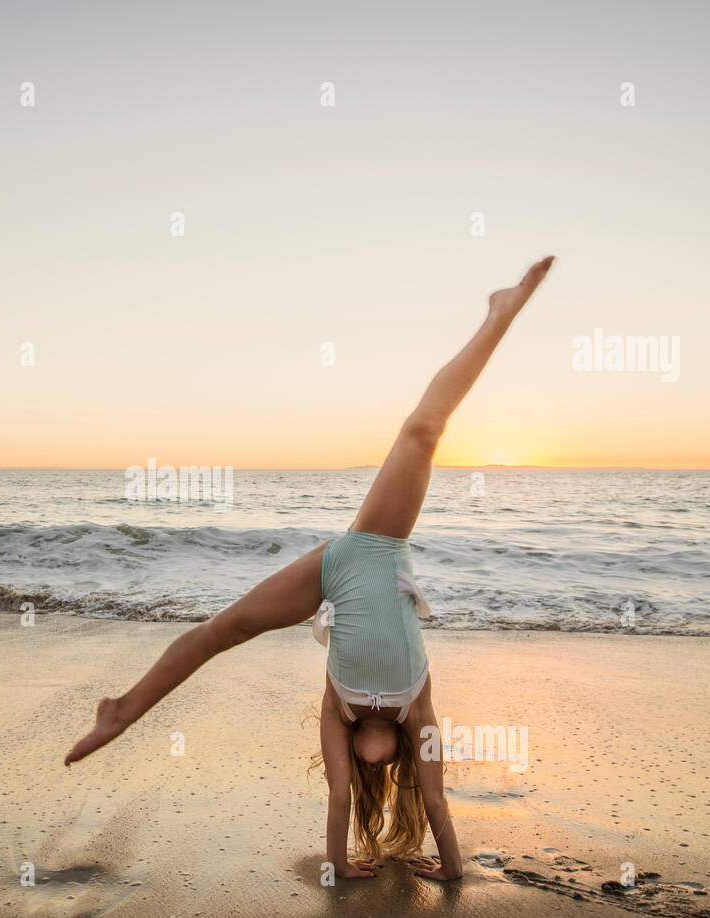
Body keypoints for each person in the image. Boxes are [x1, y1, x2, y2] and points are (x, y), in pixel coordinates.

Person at [66, 256, 556, 883]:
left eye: (364, 767)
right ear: (399, 753)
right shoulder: (420, 710)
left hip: (333, 569)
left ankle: (125, 710)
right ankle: (499, 313)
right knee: (423, 431)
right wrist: (455, 871)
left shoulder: (338, 711)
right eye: (382, 766)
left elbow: (337, 800)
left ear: (354, 756)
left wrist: (336, 864)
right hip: (376, 546)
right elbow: (435, 800)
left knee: (230, 628)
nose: (372, 766)